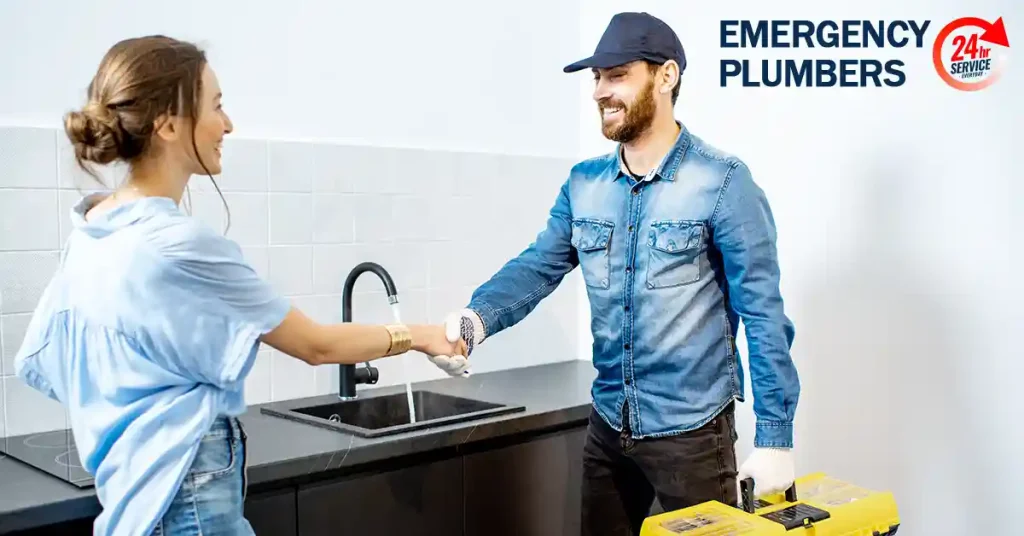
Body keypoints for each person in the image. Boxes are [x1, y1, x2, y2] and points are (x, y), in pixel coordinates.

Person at [13, 35, 466, 536]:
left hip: (128, 505)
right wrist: (422, 335)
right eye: (217, 106)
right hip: (186, 501)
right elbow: (316, 345)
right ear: (168, 124)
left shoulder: (92, 231)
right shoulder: (179, 243)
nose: (227, 124)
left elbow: (42, 363)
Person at [433, 12, 800, 535]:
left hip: (693, 436)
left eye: (617, 74)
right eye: (597, 78)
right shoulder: (584, 184)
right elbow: (538, 267)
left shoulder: (723, 182)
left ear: (666, 76)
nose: (601, 91)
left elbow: (764, 316)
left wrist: (775, 437)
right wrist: (474, 322)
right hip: (608, 428)